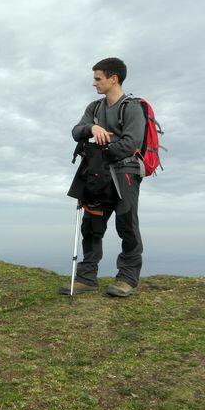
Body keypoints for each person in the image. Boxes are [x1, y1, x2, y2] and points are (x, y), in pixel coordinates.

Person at [61, 57, 145, 297]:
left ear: (113, 79)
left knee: (126, 225)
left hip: (125, 173)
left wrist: (99, 151)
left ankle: (127, 278)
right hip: (98, 173)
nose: (94, 83)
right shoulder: (95, 108)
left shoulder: (132, 108)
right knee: (92, 224)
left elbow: (131, 144)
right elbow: (76, 131)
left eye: (98, 78)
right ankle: (87, 278)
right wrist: (92, 128)